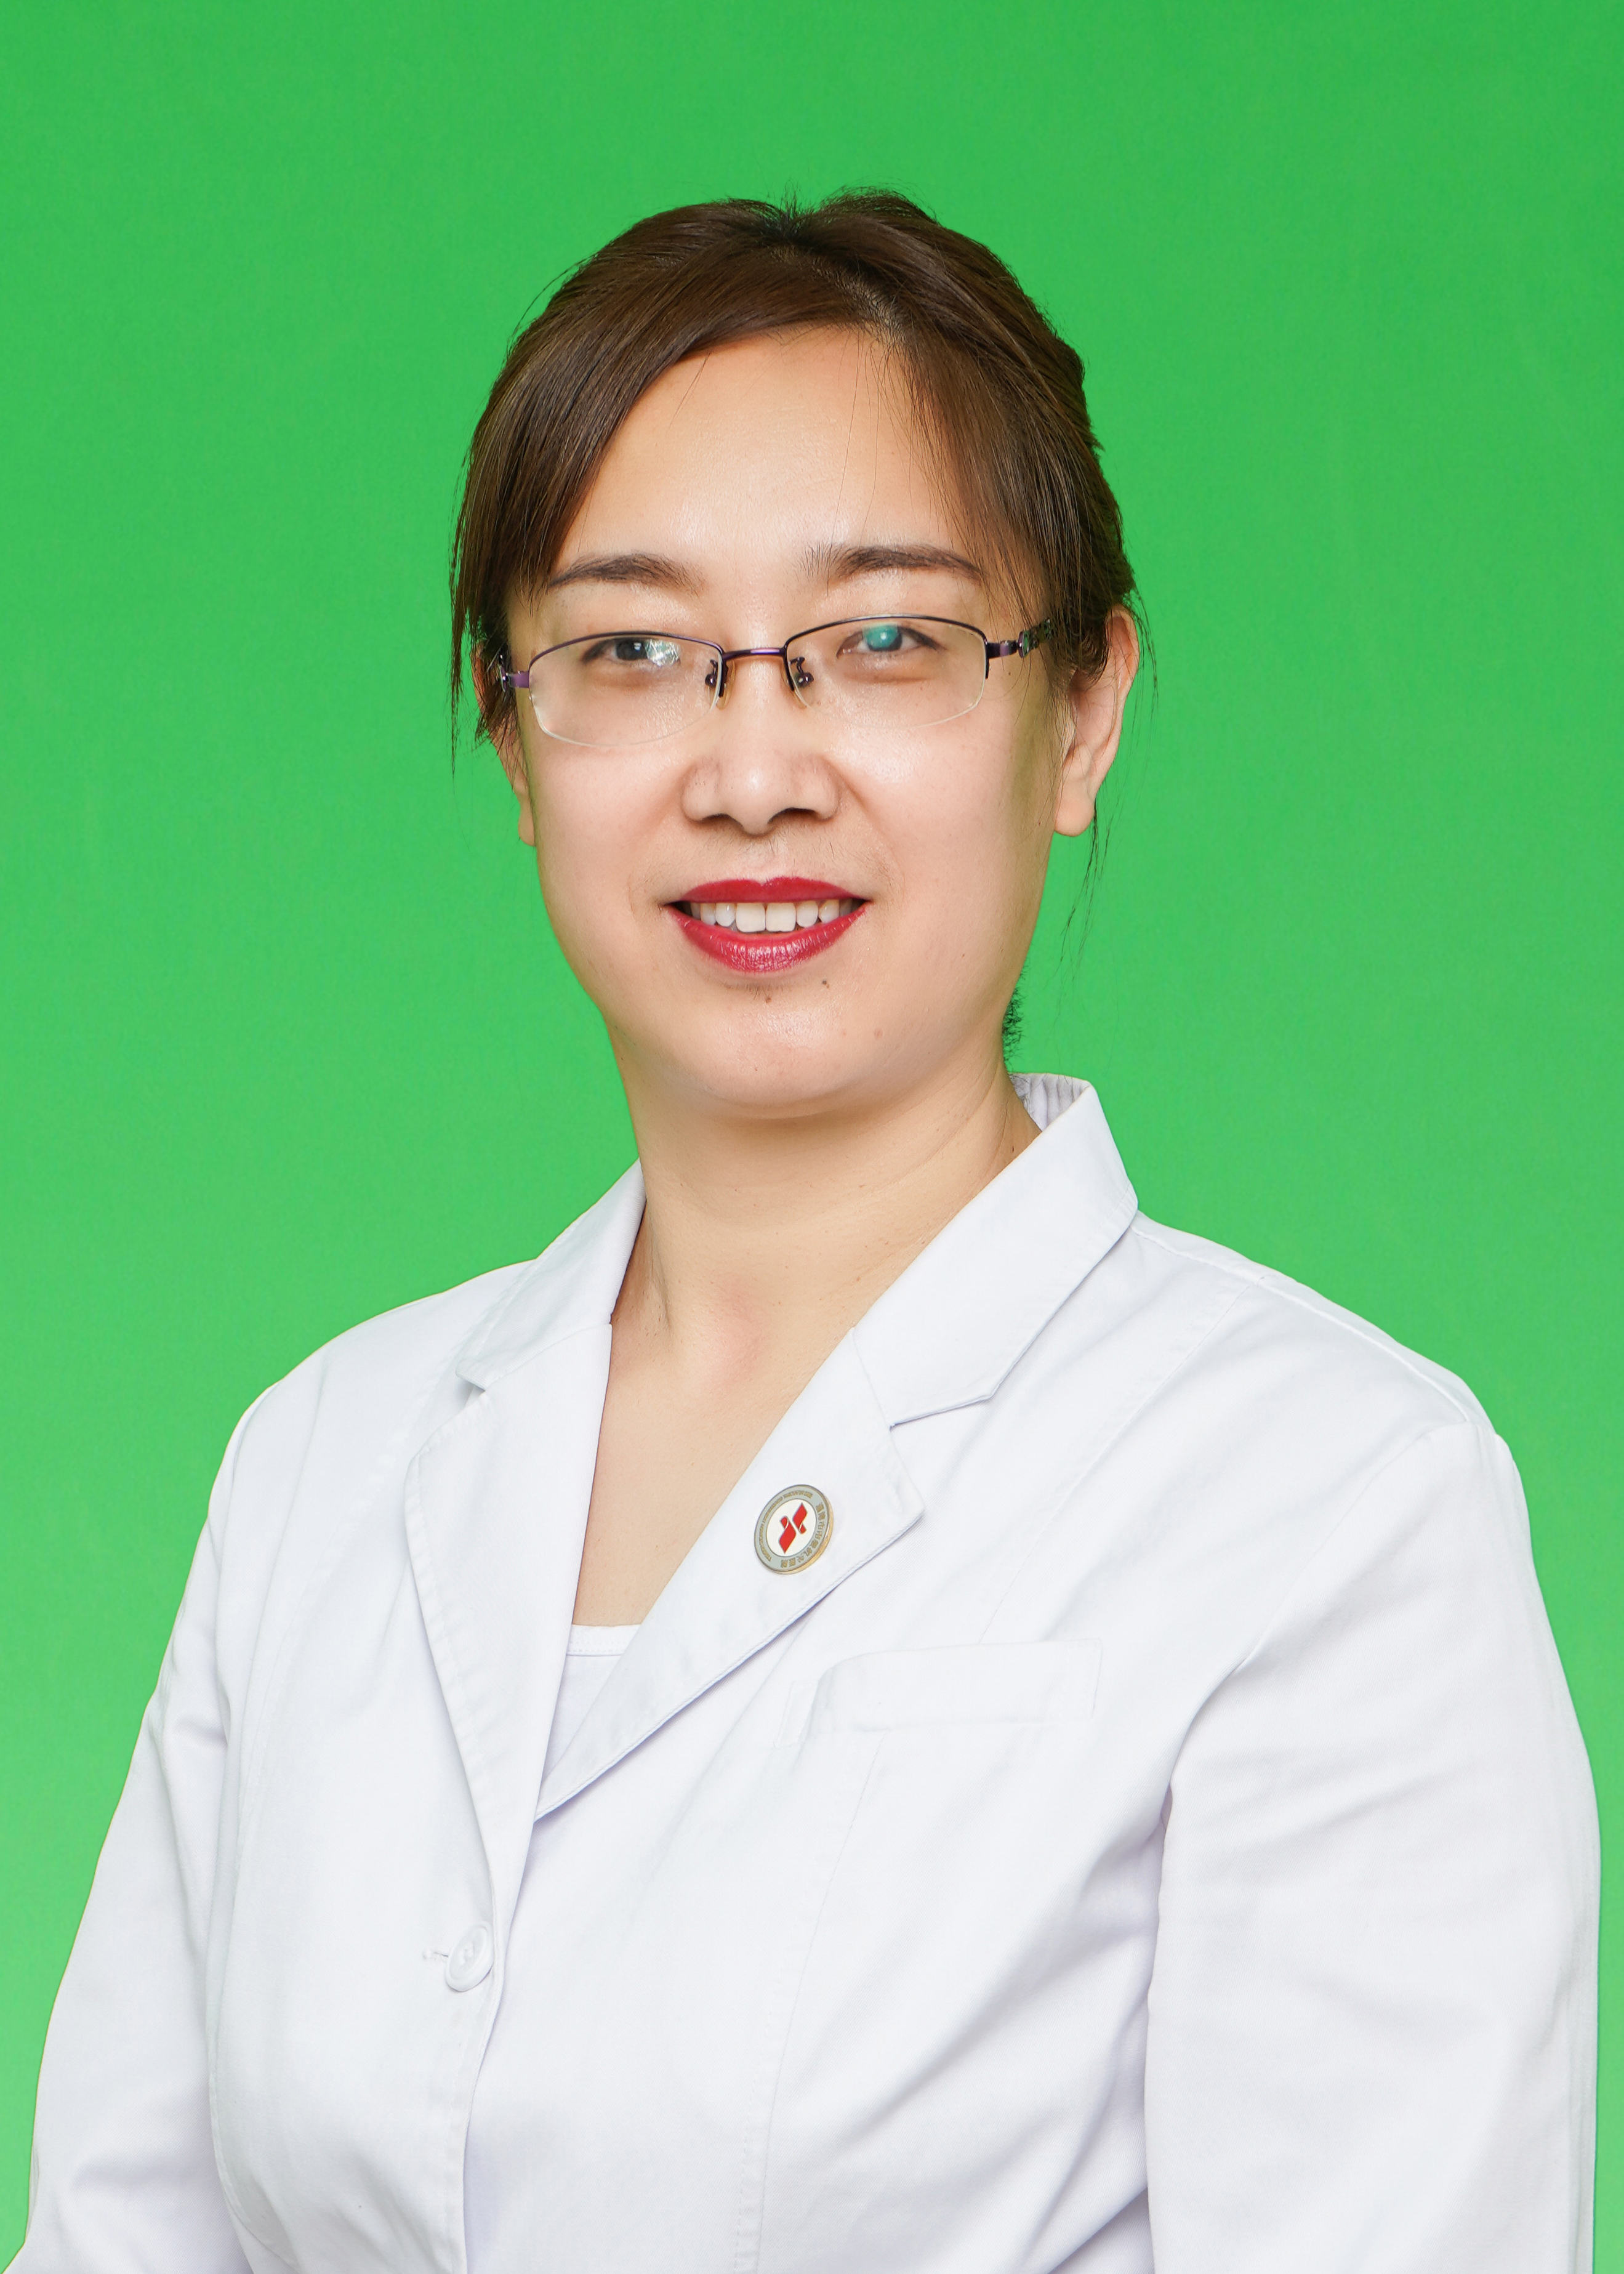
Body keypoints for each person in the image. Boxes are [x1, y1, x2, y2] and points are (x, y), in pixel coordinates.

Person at [15, 193, 1597, 2274]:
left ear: (1083, 712)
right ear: (512, 733)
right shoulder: (322, 1461)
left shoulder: (1329, 1510)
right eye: (632, 652)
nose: (753, 769)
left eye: (888, 642)